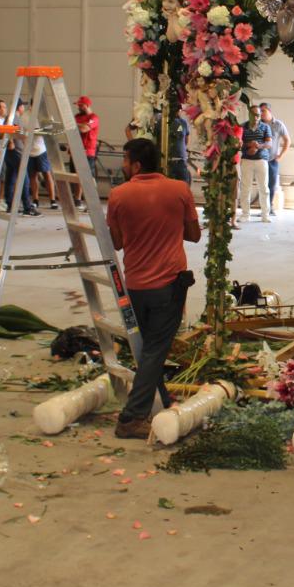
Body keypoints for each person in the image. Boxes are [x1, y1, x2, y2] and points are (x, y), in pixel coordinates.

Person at [106, 138, 200, 440]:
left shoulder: (118, 195)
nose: (122, 165)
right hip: (168, 285)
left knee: (150, 348)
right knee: (154, 350)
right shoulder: (179, 189)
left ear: (136, 165)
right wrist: (169, 226)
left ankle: (164, 399)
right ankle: (132, 418)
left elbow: (117, 242)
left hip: (135, 285)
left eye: (125, 160)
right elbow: (194, 235)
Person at [237, 109, 273, 226]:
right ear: (249, 114)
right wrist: (249, 145)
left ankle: (265, 215)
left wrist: (258, 146)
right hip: (246, 160)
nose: (257, 117)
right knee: (245, 188)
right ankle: (245, 214)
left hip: (261, 160)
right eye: (254, 115)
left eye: (258, 115)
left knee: (264, 188)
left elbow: (269, 143)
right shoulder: (242, 127)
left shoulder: (265, 127)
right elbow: (238, 143)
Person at [24, 102, 57, 209]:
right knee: (32, 176)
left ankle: (53, 200)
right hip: (29, 151)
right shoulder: (24, 116)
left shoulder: (46, 115)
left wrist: (36, 131)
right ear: (31, 105)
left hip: (42, 149)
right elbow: (21, 130)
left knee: (47, 174)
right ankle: (35, 200)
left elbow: (51, 129)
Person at [260, 102, 290, 215]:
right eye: (260, 111)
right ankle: (264, 209)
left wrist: (281, 155)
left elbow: (287, 140)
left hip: (273, 160)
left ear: (269, 111)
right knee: (262, 185)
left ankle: (270, 208)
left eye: (263, 111)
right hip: (260, 160)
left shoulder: (278, 124)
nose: (261, 113)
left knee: (272, 184)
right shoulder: (258, 124)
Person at [74, 95, 101, 179]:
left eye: (81, 105)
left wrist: (75, 124)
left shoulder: (94, 118)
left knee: (88, 178)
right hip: (75, 152)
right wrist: (80, 125)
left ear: (87, 105)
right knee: (75, 178)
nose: (78, 107)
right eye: (78, 105)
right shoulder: (77, 117)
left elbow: (84, 129)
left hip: (87, 153)